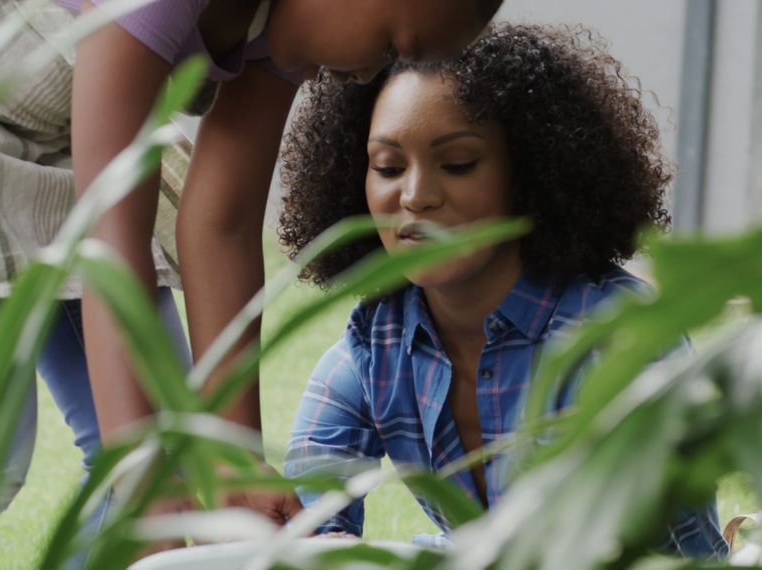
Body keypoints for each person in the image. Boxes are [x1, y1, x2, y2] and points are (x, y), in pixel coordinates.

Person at [0, 0, 503, 555]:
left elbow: (221, 225)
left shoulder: (278, 35)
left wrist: (232, 464)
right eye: (393, 48)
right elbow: (111, 239)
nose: (370, 75)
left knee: (165, 455)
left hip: (60, 165)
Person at [279, 24, 728, 559]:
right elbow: (305, 528)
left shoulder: (619, 341)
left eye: (458, 163)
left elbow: (673, 554)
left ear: (530, 173)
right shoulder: (377, 343)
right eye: (389, 167)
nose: (416, 196)